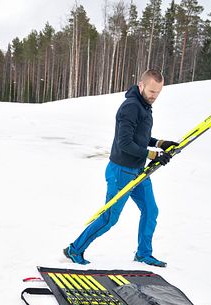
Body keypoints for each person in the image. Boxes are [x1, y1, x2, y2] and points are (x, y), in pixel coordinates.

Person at [63, 69, 178, 267]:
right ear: (141, 85)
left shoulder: (144, 106)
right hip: (121, 172)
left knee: (151, 211)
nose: (154, 96)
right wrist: (153, 155)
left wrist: (159, 143)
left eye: (158, 92)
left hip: (138, 171)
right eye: (151, 91)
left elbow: (139, 137)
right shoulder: (131, 107)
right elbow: (125, 143)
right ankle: (75, 249)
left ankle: (143, 253)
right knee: (109, 218)